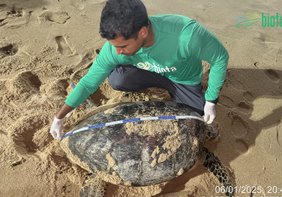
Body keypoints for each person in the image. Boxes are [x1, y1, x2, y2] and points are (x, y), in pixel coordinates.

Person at [50, 0, 229, 140]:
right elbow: (89, 83)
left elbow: (220, 58)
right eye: (114, 46)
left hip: (182, 78)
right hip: (146, 70)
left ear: (143, 32)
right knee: (117, 80)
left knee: (196, 114)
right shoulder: (114, 49)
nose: (117, 51)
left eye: (123, 46)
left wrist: (211, 100)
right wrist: (60, 118)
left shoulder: (187, 35)